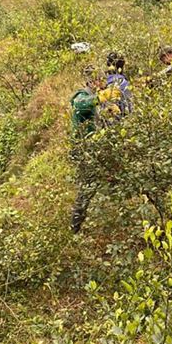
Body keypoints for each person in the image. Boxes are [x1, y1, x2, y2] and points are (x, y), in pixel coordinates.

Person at [69, 66, 109, 234]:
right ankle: (75, 227)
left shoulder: (93, 98)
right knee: (85, 188)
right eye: (100, 81)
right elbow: (80, 105)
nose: (103, 84)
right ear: (93, 82)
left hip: (95, 149)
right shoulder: (82, 96)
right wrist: (99, 98)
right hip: (84, 150)